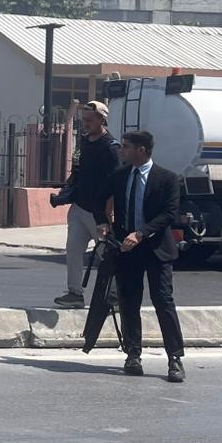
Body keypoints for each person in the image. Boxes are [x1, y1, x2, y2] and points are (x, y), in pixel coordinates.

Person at [95, 129, 187, 383]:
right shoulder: (120, 175)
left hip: (156, 250)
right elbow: (98, 199)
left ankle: (175, 358)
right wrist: (102, 221)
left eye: (126, 147)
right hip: (127, 250)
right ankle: (133, 355)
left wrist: (141, 233)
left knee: (163, 302)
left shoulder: (167, 178)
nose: (121, 151)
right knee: (129, 302)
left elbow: (169, 214)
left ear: (141, 150)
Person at [53, 101, 123, 307]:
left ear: (102, 120)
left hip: (99, 213)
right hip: (79, 207)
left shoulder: (111, 147)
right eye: (84, 120)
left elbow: (116, 181)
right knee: (73, 251)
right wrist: (68, 189)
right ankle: (75, 293)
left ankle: (117, 294)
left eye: (90, 120)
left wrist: (109, 212)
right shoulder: (84, 141)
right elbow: (77, 169)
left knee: (106, 254)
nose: (86, 124)